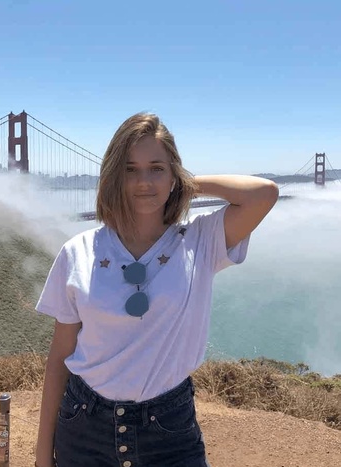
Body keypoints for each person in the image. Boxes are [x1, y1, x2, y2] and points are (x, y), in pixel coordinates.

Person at [35, 112, 279, 467]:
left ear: (175, 173)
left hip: (169, 431)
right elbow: (60, 358)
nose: (143, 182)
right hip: (83, 424)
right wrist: (43, 454)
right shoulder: (77, 252)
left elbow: (264, 194)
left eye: (156, 168)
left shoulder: (200, 238)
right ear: (114, 175)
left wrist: (184, 185)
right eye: (130, 169)